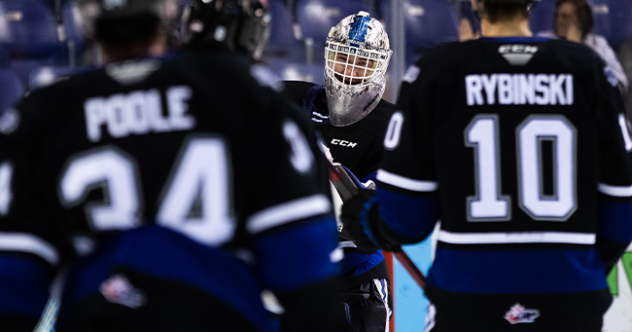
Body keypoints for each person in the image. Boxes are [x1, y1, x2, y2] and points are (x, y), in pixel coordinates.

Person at [0, 0, 346, 331]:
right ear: (167, 9)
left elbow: (11, 287)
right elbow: (306, 270)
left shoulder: (43, 115)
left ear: (84, 15)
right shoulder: (246, 96)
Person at [340, 0, 632, 331]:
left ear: (475, 2)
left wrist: (364, 217)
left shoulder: (436, 72)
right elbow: (621, 212)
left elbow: (405, 221)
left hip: (470, 296)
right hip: (571, 298)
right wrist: (577, 271)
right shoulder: (589, 70)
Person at [281, 11, 394, 332]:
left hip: (353, 281)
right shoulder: (286, 99)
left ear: (380, 68)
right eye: (344, 58)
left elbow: (375, 225)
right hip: (288, 277)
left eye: (363, 63)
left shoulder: (394, 126)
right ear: (329, 57)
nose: (350, 71)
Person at [536, 0, 628, 93]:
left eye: (565, 17)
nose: (559, 21)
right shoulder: (544, 41)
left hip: (590, 100)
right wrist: (568, 48)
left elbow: (620, 82)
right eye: (557, 16)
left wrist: (577, 50)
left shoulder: (598, 44)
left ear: (580, 21)